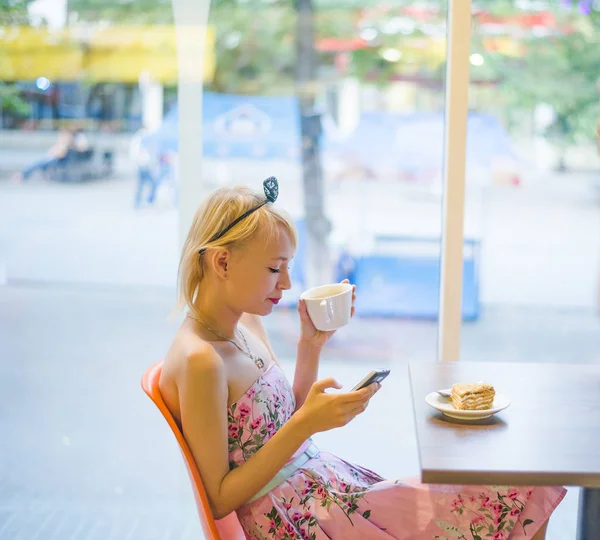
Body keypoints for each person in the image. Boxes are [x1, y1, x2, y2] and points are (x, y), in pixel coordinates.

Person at [159, 178, 565, 540]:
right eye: (273, 268)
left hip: (330, 493)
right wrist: (305, 424)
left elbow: (282, 424)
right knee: (514, 489)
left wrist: (310, 345)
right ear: (222, 262)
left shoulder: (246, 324)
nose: (285, 283)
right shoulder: (201, 361)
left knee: (515, 485)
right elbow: (218, 498)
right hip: (301, 519)